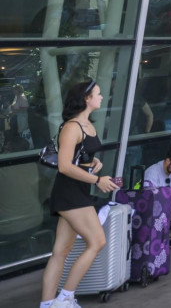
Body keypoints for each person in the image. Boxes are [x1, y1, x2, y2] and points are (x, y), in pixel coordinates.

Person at [40, 80, 121, 308]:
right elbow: (65, 166)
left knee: (60, 251)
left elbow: (81, 156)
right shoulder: (72, 127)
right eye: (98, 93)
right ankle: (65, 297)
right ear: (86, 98)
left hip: (79, 191)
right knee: (97, 241)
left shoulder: (87, 125)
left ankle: (47, 305)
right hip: (70, 194)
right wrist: (97, 179)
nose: (102, 97)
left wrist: (93, 162)